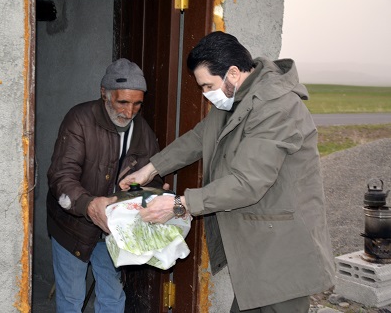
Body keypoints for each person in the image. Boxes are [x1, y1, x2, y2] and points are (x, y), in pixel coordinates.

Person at [119, 32, 336, 312]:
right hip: (258, 247)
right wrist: (151, 169)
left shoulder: (277, 107)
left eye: (207, 85)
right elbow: (200, 137)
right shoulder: (237, 98)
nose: (205, 94)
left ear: (233, 73)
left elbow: (247, 183)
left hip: (282, 250)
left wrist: (179, 205)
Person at [46, 58, 164, 313]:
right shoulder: (79, 119)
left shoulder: (142, 129)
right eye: (122, 102)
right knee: (71, 299)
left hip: (113, 229)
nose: (129, 112)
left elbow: (152, 177)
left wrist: (146, 193)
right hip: (72, 225)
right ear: (104, 93)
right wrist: (89, 205)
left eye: (137, 104)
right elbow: (61, 176)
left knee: (112, 297)